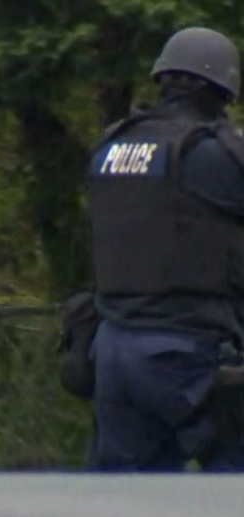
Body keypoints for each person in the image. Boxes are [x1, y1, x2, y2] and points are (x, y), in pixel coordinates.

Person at [86, 26, 244, 471]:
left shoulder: (111, 146)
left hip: (112, 348)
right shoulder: (215, 154)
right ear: (222, 89)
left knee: (124, 499)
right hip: (187, 352)